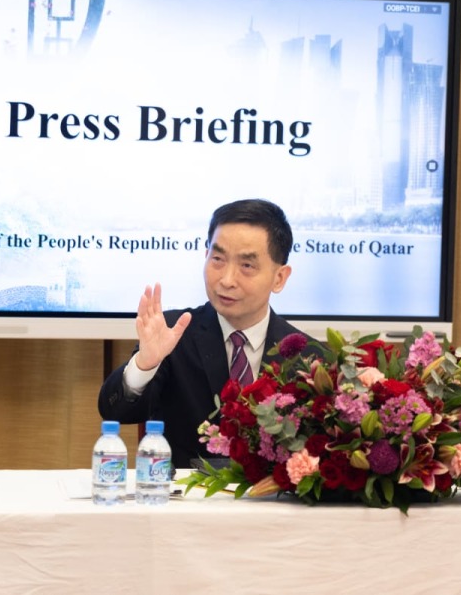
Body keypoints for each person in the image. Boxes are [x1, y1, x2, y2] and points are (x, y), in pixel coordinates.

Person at [98, 198, 311, 468]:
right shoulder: (175, 334)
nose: (226, 279)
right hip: (186, 504)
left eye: (246, 265)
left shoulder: (307, 357)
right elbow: (115, 411)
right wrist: (145, 364)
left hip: (274, 505)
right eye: (218, 259)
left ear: (279, 278)